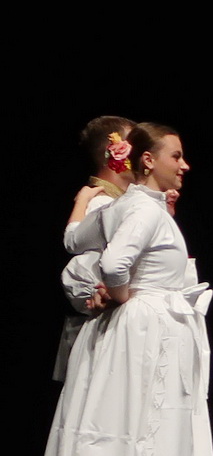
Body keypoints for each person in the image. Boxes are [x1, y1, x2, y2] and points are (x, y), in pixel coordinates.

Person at [24, 123, 213, 456]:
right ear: (148, 161)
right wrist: (123, 293)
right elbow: (114, 264)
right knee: (131, 445)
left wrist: (83, 207)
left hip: (137, 336)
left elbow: (74, 238)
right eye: (176, 155)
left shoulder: (126, 207)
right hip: (143, 340)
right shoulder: (142, 209)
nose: (184, 164)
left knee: (123, 446)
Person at [54, 116, 136, 382]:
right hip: (112, 336)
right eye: (137, 144)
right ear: (115, 151)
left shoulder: (113, 203)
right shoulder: (100, 206)